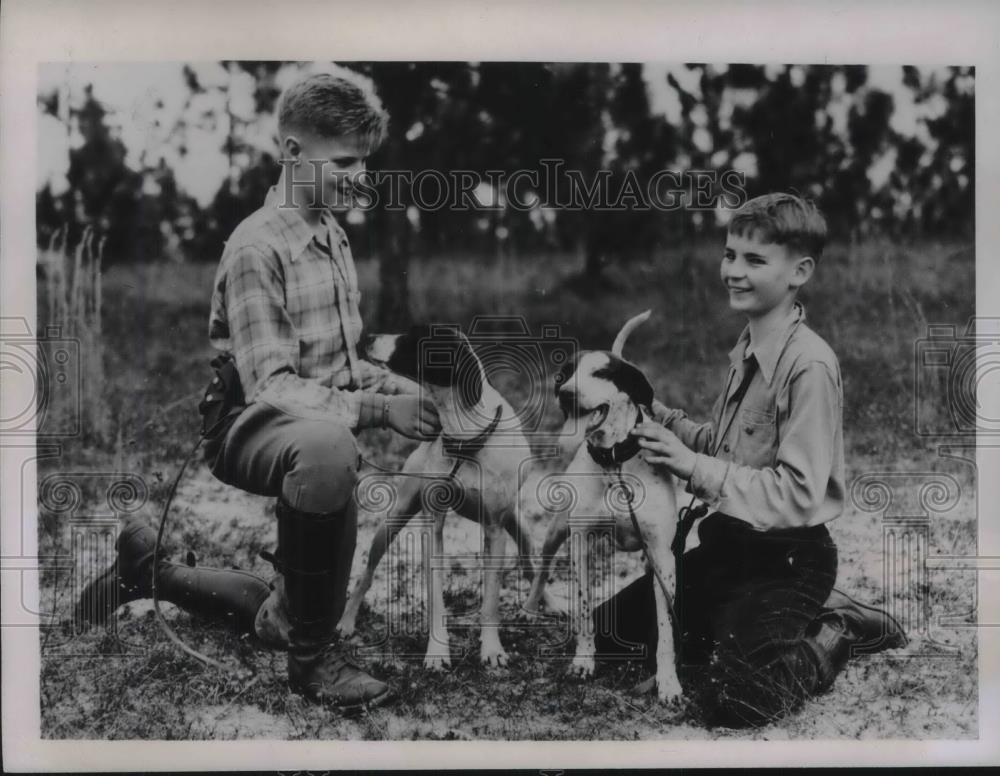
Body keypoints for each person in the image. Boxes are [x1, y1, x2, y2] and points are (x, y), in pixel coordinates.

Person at [75, 69, 441, 713]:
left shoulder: (331, 234)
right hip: (247, 425)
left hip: (312, 427)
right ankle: (314, 666)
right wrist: (381, 410)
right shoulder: (256, 244)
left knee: (283, 616)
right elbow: (273, 386)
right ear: (294, 152)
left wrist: (407, 391)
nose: (361, 175)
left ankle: (151, 574)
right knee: (330, 451)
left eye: (366, 161)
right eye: (346, 161)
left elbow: (342, 365)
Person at [594, 193, 907, 727]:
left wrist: (688, 466)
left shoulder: (809, 365)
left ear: (799, 271)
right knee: (612, 636)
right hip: (729, 548)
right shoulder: (747, 347)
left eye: (754, 260)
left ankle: (836, 630)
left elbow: (795, 492)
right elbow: (723, 446)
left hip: (786, 560)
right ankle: (742, 626)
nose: (733, 272)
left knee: (741, 700)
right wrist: (655, 415)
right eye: (730, 254)